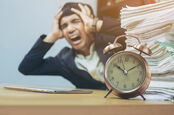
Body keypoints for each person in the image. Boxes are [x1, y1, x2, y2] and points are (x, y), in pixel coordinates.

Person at [18, 2, 126, 90]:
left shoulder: (113, 42)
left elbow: (136, 32)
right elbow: (26, 68)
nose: (70, 29)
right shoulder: (64, 61)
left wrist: (94, 23)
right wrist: (53, 36)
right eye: (64, 26)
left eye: (75, 21)